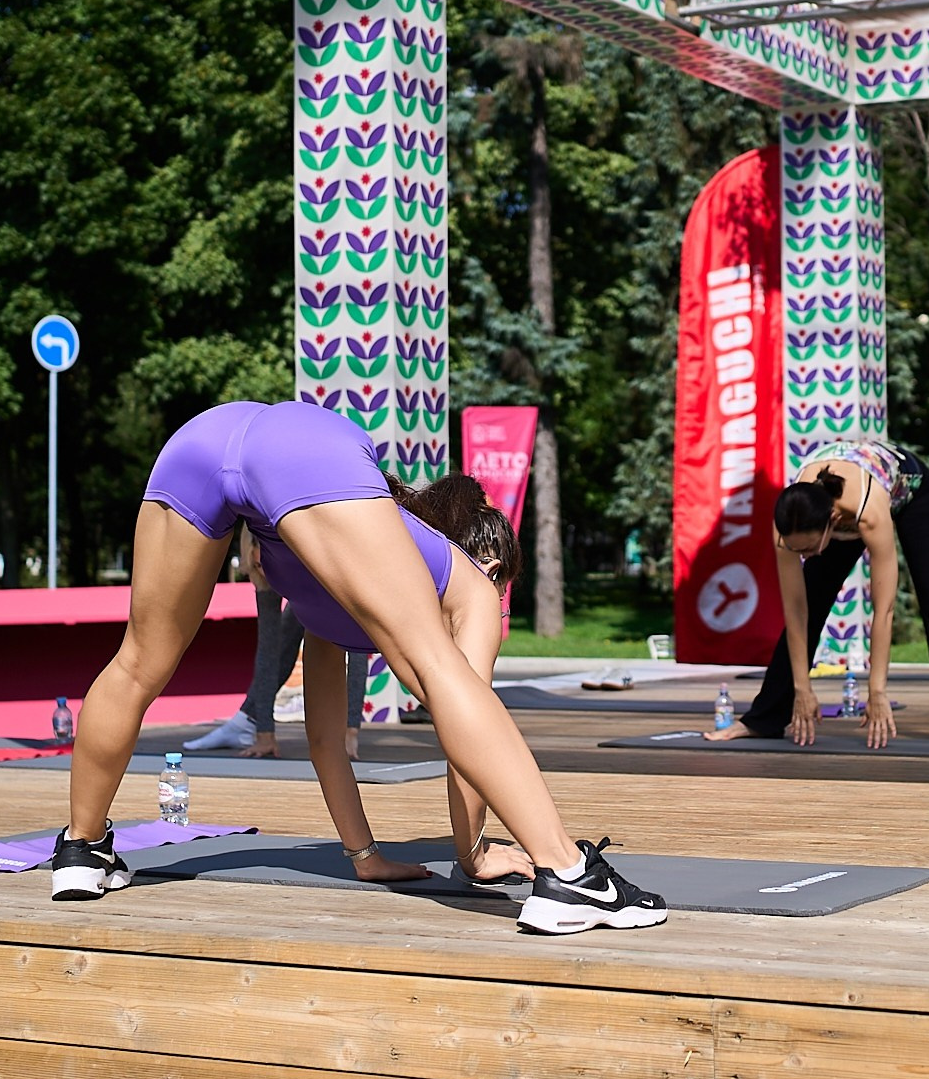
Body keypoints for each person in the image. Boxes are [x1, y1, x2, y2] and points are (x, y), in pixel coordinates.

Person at [52, 399, 666, 935]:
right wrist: (472, 854)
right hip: (302, 448)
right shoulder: (471, 586)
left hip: (201, 440)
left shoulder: (330, 580)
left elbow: (323, 740)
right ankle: (571, 875)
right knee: (437, 669)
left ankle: (81, 848)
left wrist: (364, 854)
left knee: (138, 662)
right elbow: (466, 734)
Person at [706, 438, 929, 751]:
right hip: (835, 503)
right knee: (812, 599)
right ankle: (763, 719)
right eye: (795, 550)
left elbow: (884, 610)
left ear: (832, 524)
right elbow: (796, 610)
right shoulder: (789, 522)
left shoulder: (868, 513)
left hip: (914, 495)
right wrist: (802, 688)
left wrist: (877, 691)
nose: (802, 557)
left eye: (807, 549)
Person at [182, 526, 363, 759]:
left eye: (266, 564)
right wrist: (265, 734)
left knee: (341, 635)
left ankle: (249, 720)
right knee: (286, 635)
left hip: (336, 556)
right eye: (258, 566)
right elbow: (268, 650)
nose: (265, 572)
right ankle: (249, 720)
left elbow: (356, 649)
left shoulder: (317, 558)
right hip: (293, 557)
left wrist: (349, 732)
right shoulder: (261, 566)